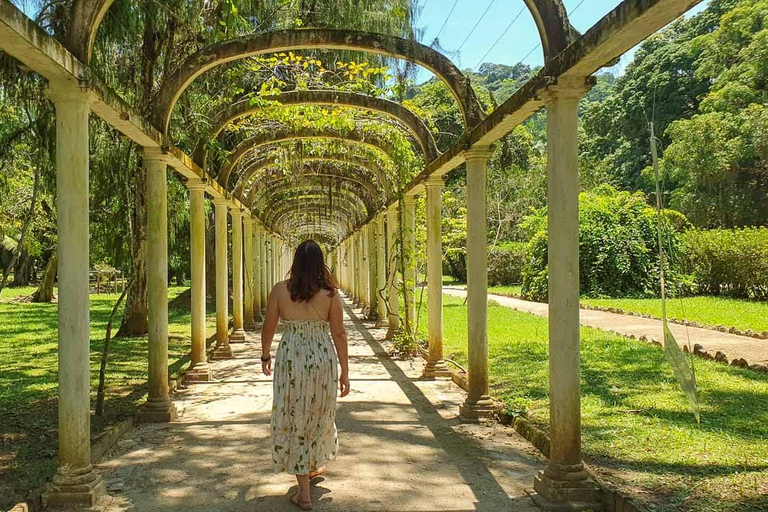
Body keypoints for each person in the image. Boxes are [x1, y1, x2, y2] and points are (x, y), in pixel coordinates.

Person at [261, 239, 350, 511]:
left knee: (294, 414)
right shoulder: (331, 295)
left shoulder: (279, 290)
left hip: (291, 358)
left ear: (296, 262)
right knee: (317, 411)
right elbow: (339, 334)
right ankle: (305, 492)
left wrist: (265, 355)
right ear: (320, 263)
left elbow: (269, 328)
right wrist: (345, 371)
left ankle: (305, 482)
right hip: (322, 358)